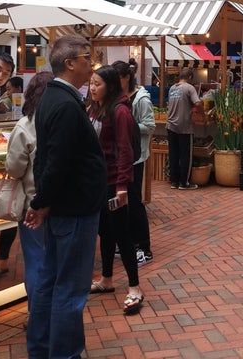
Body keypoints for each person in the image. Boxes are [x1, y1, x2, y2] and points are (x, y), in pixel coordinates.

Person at [23, 35, 106, 359]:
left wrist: (44, 201)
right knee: (70, 289)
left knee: (49, 281)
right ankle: (64, 353)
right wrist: (42, 202)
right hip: (74, 212)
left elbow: (50, 159)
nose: (91, 64)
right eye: (87, 58)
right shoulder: (65, 104)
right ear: (70, 63)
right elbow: (56, 162)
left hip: (63, 207)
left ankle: (42, 349)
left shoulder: (53, 99)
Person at [87, 65, 144, 314]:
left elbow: (125, 150)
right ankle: (107, 280)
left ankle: (135, 287)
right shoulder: (94, 108)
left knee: (122, 233)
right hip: (98, 183)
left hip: (114, 183)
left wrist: (122, 186)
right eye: (90, 83)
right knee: (105, 232)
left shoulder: (120, 111)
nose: (92, 88)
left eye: (97, 84)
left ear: (109, 86)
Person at [4, 71, 54, 317]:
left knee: (35, 261)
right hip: (60, 203)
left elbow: (14, 168)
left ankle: (38, 316)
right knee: (55, 261)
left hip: (32, 205)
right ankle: (54, 314)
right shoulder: (61, 121)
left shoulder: (25, 125)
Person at [112, 59, 155, 266]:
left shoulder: (141, 99)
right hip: (121, 155)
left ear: (126, 77)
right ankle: (129, 242)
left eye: (116, 78)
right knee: (125, 203)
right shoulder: (118, 97)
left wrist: (127, 126)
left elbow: (149, 125)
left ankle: (144, 248)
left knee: (135, 202)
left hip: (136, 156)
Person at [166, 67, 203, 190]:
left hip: (170, 125)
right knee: (185, 155)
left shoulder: (172, 88)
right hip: (184, 126)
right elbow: (197, 103)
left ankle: (174, 182)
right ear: (190, 77)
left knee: (173, 154)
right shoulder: (189, 88)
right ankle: (184, 183)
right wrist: (201, 113)